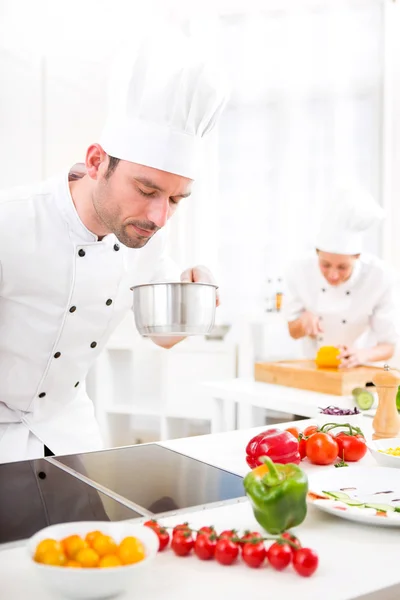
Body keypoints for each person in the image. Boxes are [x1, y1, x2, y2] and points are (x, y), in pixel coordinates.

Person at [0, 26, 229, 463]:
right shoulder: (9, 221)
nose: (160, 218)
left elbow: (162, 336)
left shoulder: (143, 241)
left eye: (176, 200)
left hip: (72, 438)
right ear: (96, 162)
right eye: (147, 190)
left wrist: (198, 297)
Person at [284, 185, 399, 367]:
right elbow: (293, 332)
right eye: (325, 265)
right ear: (317, 254)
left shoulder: (380, 277)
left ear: (357, 257)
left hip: (360, 370)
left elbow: (388, 346)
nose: (333, 275)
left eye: (343, 267)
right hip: (314, 368)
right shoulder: (299, 271)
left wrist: (362, 355)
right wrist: (303, 322)